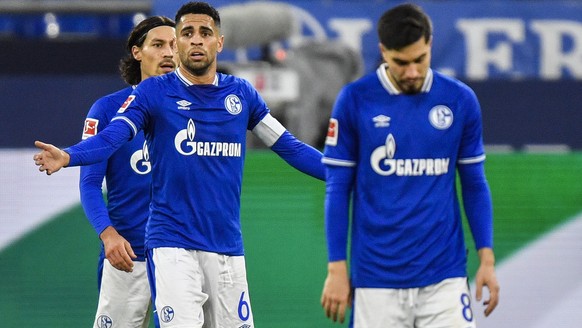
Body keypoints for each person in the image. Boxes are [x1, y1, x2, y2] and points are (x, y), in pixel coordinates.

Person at [33, 2, 324, 327]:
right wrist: (72, 158)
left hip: (223, 246)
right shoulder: (140, 99)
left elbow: (290, 146)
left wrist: (348, 173)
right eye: (167, 41)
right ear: (137, 52)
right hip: (143, 251)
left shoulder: (239, 94)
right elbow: (106, 149)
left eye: (179, 40)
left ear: (220, 41)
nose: (174, 49)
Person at [320, 3, 500, 327]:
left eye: (420, 59)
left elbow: (474, 183)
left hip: (444, 277)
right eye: (401, 63)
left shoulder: (460, 100)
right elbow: (337, 188)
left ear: (430, 44)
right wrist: (337, 268)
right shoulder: (354, 100)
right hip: (376, 280)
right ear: (383, 52)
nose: (413, 72)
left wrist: (486, 258)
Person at [79, 16, 177, 328]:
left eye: (175, 45)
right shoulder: (107, 110)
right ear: (137, 52)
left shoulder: (196, 110)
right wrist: (107, 234)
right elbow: (91, 183)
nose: (169, 53)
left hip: (179, 257)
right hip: (127, 256)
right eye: (159, 45)